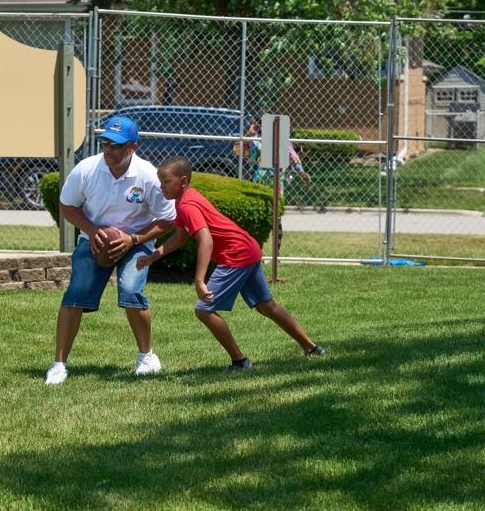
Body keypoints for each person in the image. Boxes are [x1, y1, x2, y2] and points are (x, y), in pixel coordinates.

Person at [136, 156, 325, 373]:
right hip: (248, 248)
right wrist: (153, 256)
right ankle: (312, 349)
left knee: (204, 311)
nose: (161, 187)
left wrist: (199, 280)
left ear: (183, 181)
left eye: (166, 181)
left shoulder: (187, 205)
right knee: (266, 306)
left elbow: (206, 240)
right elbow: (180, 237)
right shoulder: (184, 200)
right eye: (160, 181)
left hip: (236, 255)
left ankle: (240, 361)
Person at [45, 116, 177, 386]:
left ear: (132, 147)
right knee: (75, 294)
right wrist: (92, 230)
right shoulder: (86, 169)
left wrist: (133, 239)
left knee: (130, 288)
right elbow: (67, 205)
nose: (108, 149)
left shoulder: (148, 175)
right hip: (94, 239)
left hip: (136, 240)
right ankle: (58, 365)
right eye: (105, 142)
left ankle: (147, 357)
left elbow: (168, 219)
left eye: (115, 145)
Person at [241, 118, 311, 193]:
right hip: (257, 181)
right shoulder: (256, 139)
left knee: (276, 198)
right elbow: (237, 150)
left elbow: (293, 157)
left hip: (276, 184)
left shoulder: (283, 141)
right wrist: (249, 134)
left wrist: (302, 172)